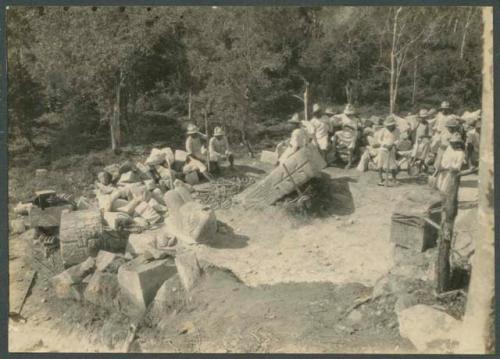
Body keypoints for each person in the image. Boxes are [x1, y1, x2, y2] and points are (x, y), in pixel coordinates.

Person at [377, 115, 401, 186]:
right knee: (380, 164)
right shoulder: (383, 130)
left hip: (392, 149)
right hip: (383, 149)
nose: (389, 127)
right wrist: (384, 145)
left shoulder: (397, 130)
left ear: (393, 124)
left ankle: (394, 178)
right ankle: (380, 178)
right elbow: (379, 140)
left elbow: (398, 140)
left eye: (391, 125)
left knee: (393, 164)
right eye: (388, 125)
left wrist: (393, 144)